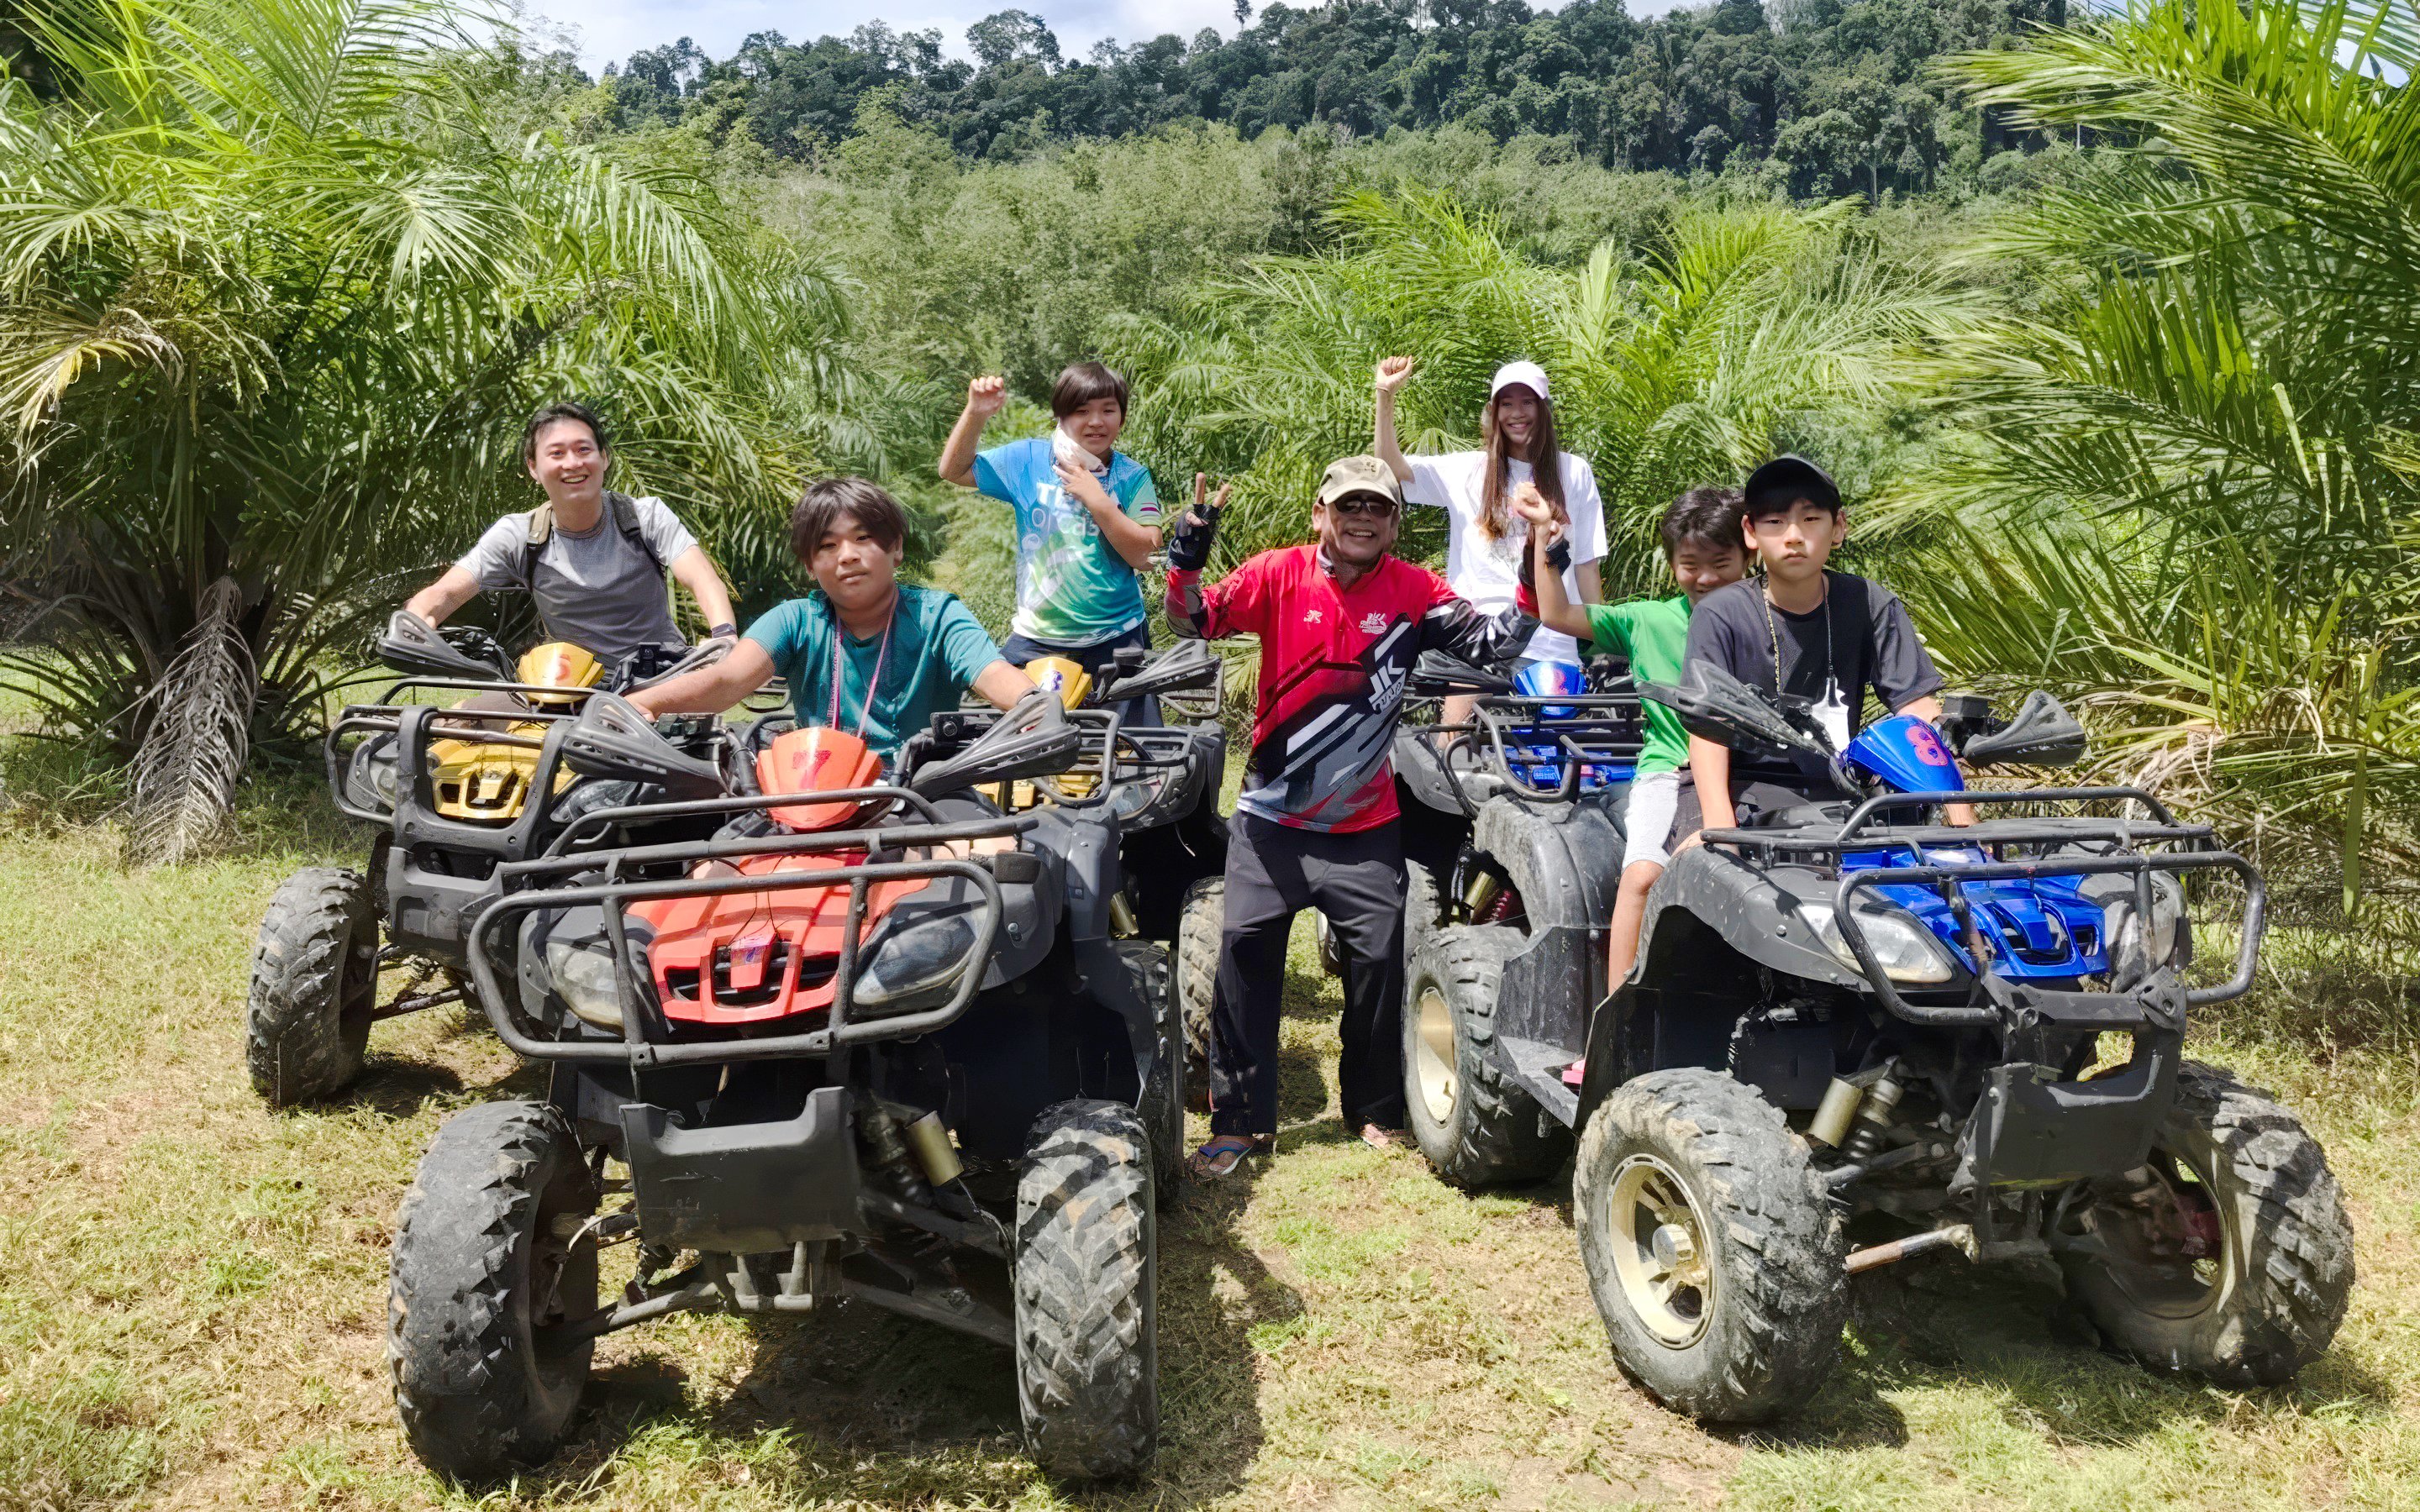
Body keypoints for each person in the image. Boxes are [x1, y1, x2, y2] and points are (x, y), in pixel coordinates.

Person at [1161, 455, 1542, 1179]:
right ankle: (1239, 1121)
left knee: (1378, 965)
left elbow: (1497, 646)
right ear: (1321, 515)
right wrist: (1187, 554)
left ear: (1395, 523)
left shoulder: (1415, 592)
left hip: (1366, 824)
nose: (1363, 519)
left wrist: (1531, 558)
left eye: (1378, 508)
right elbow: (1193, 621)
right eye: (1349, 507)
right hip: (1271, 821)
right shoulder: (1277, 574)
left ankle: (1370, 1108)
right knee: (1243, 953)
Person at [1671, 455, 1970, 845]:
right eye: (1775, 522)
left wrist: (1966, 827)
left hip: (1842, 785)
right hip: (1739, 786)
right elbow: (1710, 730)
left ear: (1838, 527)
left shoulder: (1869, 602)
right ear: (1750, 531)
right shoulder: (1720, 612)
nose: (1793, 536)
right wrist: (1721, 830)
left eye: (1811, 520)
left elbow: (1918, 712)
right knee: (1696, 873)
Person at [1518, 483, 1749, 989]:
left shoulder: (1767, 619)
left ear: (1748, 554)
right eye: (1691, 564)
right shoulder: (1648, 619)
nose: (1705, 578)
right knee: (1643, 876)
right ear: (1673, 565)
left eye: (1721, 562)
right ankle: (1613, 1016)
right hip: (1669, 769)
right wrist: (1544, 540)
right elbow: (1557, 613)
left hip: (1752, 774)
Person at [628, 477, 1033, 757]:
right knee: (713, 869)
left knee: (991, 856)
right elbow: (727, 680)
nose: (847, 555)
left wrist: (1033, 704)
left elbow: (992, 672)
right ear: (809, 564)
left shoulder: (939, 615)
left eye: (862, 538)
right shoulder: (794, 620)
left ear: (896, 550)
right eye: (827, 545)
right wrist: (638, 703)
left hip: (927, 792)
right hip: (811, 793)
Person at [405, 401, 739, 669]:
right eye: (556, 454)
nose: (572, 463)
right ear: (533, 468)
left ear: (604, 458)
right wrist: (415, 621)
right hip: (566, 686)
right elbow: (445, 592)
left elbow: (702, 579)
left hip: (662, 677)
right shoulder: (519, 535)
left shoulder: (645, 516)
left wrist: (724, 635)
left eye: (583, 450)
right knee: (457, 719)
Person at [1372, 354, 1607, 727]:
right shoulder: (1468, 470)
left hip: (1552, 642)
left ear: (1543, 409)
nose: (1517, 413)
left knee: (1558, 762)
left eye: (1527, 402)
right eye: (1507, 404)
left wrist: (1604, 639)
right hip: (1479, 641)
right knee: (1458, 751)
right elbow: (1389, 469)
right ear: (1494, 412)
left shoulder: (1573, 471)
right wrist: (1385, 395)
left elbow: (1586, 563)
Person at [937, 362, 1164, 723]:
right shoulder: (1027, 459)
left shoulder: (1132, 476)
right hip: (1036, 638)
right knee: (1026, 757)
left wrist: (1098, 500)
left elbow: (1147, 554)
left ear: (1122, 417)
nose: (1096, 421)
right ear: (1060, 416)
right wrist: (976, 414)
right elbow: (954, 470)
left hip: (1117, 640)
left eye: (1109, 410)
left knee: (1125, 755)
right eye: (1082, 411)